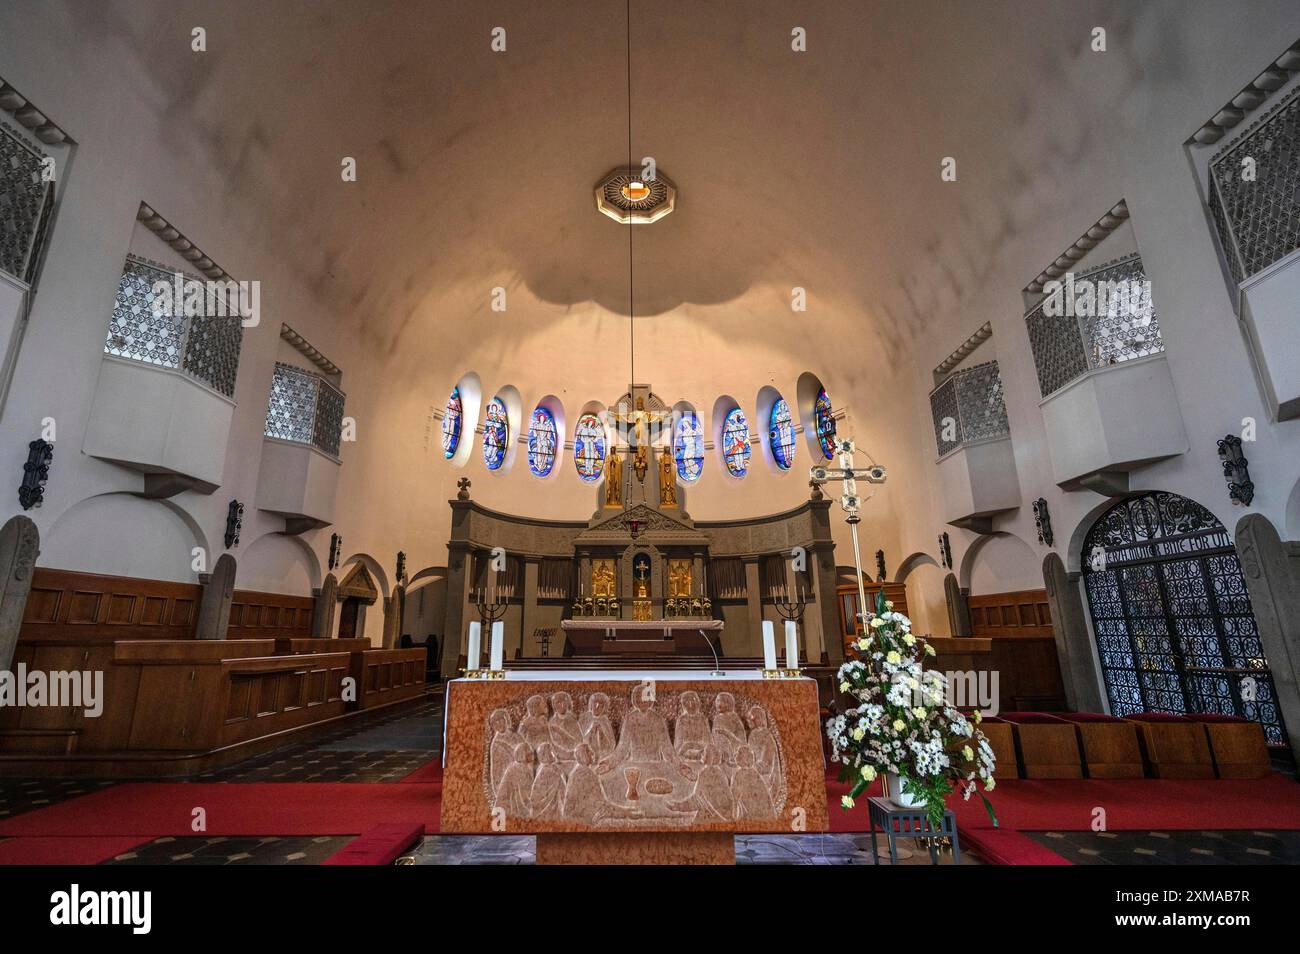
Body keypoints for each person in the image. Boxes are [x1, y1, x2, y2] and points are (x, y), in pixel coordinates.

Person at [731, 744, 774, 820]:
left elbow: (736, 797)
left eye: (739, 753)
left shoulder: (743, 774)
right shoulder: (750, 773)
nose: (736, 755)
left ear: (745, 758)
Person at [495, 743, 536, 820]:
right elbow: (504, 792)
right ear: (523, 755)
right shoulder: (517, 770)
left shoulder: (522, 768)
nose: (532, 755)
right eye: (529, 753)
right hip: (515, 808)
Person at [487, 708, 524, 795]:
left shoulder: (516, 737)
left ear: (506, 720)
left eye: (500, 720)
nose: (498, 724)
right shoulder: (496, 744)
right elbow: (496, 770)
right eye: (495, 722)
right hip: (506, 779)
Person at [529, 742, 567, 820]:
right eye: (551, 752)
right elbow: (563, 791)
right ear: (546, 755)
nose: (554, 754)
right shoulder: (552, 770)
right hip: (552, 809)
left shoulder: (543, 768)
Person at [673, 691, 710, 762]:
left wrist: (693, 745)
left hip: (702, 754)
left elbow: (707, 741)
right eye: (687, 701)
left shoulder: (703, 719)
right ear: (683, 704)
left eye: (693, 700)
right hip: (685, 755)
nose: (690, 704)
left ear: (697, 702)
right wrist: (685, 748)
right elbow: (678, 743)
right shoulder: (681, 720)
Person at [578, 692, 615, 761]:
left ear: (604, 707)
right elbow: (579, 739)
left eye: (601, 705)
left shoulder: (605, 720)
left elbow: (611, 744)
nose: (597, 707)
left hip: (601, 755)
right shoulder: (585, 718)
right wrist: (591, 730)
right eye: (595, 704)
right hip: (585, 756)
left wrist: (601, 732)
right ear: (591, 704)